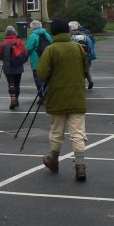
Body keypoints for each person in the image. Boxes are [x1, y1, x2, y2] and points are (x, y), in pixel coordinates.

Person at [36, 18, 90, 181]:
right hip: (76, 97)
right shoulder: (78, 48)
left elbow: (42, 73)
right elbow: (86, 68)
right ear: (67, 31)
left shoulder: (51, 50)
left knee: (56, 132)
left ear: (53, 32)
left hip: (57, 97)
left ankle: (53, 159)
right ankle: (80, 166)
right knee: (78, 133)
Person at [0, 25, 28, 109]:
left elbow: (0, 56)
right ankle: (16, 99)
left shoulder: (3, 43)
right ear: (14, 32)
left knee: (11, 83)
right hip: (18, 66)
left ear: (6, 33)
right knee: (17, 84)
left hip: (8, 67)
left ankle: (13, 99)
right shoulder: (19, 42)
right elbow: (25, 54)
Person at [25, 20, 53, 100]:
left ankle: (42, 96)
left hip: (36, 61)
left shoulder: (33, 36)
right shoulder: (47, 34)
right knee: (47, 78)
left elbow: (29, 48)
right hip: (48, 60)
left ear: (32, 27)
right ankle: (47, 94)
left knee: (38, 79)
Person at [69, 20, 96, 89]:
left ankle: (81, 85)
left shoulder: (70, 35)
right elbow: (92, 42)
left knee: (78, 71)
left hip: (77, 56)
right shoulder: (85, 34)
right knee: (86, 69)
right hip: (87, 54)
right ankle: (90, 81)